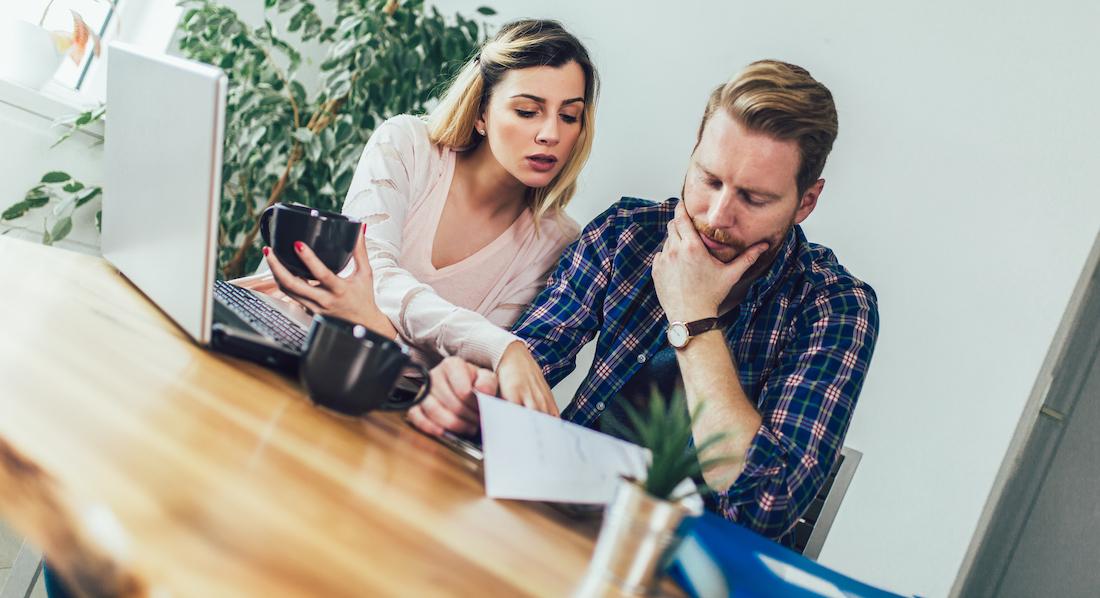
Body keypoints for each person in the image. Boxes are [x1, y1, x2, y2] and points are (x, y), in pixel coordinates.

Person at [410, 60, 880, 548]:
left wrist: (693, 316)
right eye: (709, 179)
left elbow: (764, 504)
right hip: (557, 521)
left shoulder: (835, 308)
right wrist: (475, 394)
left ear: (806, 202)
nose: (717, 216)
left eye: (755, 199)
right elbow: (530, 360)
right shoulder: (627, 235)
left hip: (697, 562)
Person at [259, 19, 597, 393]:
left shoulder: (555, 241)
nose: (551, 133)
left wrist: (375, 325)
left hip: (388, 404)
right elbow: (370, 273)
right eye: (527, 111)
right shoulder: (406, 146)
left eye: (569, 117)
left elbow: (465, 372)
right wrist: (498, 347)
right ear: (482, 113)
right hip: (280, 337)